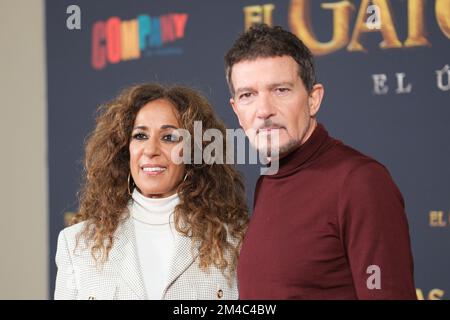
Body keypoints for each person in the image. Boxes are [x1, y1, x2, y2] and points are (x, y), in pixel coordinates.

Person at [225, 24, 416, 299]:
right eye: (248, 95)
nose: (264, 110)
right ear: (236, 110)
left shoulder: (360, 182)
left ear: (313, 100)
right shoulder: (270, 180)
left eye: (280, 90)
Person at [54, 84, 248, 300]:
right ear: (124, 149)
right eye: (140, 136)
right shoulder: (76, 245)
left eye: (169, 137)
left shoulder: (233, 242)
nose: (151, 150)